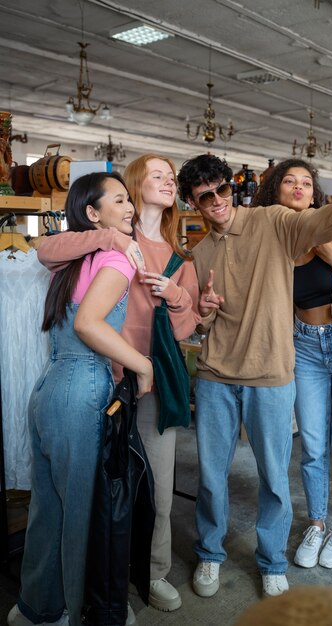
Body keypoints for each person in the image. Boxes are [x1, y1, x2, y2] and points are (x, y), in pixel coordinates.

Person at [176, 154, 332, 599]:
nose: (216, 201)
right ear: (192, 203)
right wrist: (203, 313)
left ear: (232, 188)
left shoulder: (271, 220)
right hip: (217, 373)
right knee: (213, 476)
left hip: (274, 370)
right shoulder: (199, 253)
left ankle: (275, 560)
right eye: (204, 196)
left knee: (276, 474)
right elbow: (200, 324)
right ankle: (211, 555)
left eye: (221, 190)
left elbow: (324, 221)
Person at [36, 154, 200, 613]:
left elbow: (185, 327)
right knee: (100, 491)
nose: (170, 182)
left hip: (146, 382)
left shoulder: (178, 257)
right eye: (158, 176)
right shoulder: (105, 240)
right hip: (99, 378)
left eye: (172, 178)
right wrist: (109, 234)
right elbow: (44, 250)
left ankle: (154, 571)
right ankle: (103, 585)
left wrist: (181, 296)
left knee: (153, 486)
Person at [7, 172, 153, 626]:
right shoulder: (114, 256)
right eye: (118, 201)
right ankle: (81, 613)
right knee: (85, 515)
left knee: (48, 508)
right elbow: (91, 325)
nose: (129, 208)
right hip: (82, 389)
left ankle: (38, 606)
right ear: (92, 213)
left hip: (48, 387)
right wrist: (141, 364)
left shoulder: (74, 255)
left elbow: (45, 248)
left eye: (130, 200)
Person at [253, 158, 332, 569]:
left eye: (306, 182)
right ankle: (317, 523)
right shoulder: (274, 238)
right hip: (303, 346)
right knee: (310, 446)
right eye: (288, 181)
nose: (298, 187)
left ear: (314, 192)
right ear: (275, 190)